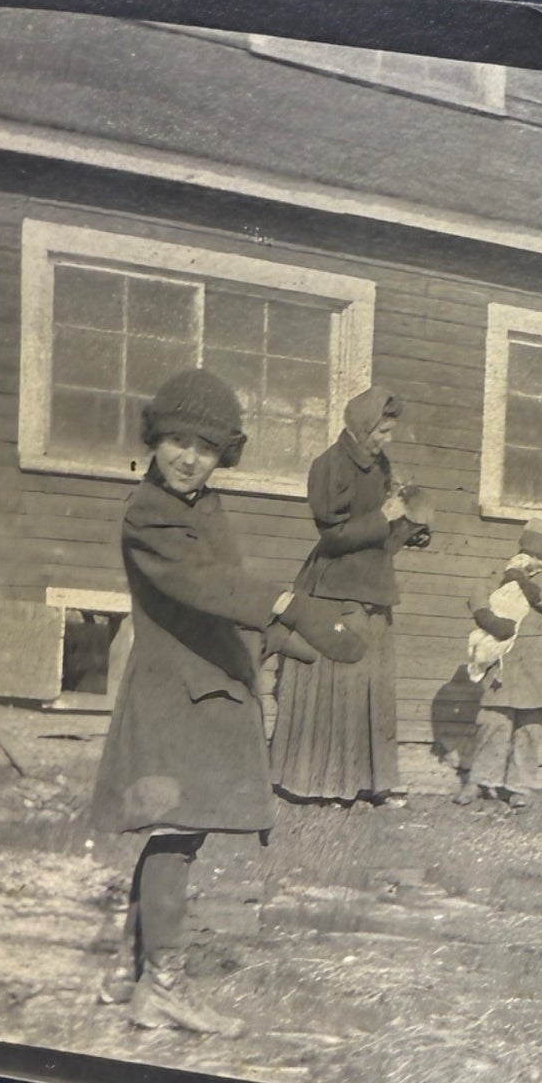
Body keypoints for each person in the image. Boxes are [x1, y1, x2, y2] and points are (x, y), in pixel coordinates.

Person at [92, 368, 366, 1036]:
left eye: (206, 447)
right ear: (155, 438)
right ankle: (159, 987)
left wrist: (278, 639)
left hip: (204, 687)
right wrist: (289, 606)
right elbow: (203, 586)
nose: (189, 457)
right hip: (176, 698)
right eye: (177, 440)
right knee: (175, 839)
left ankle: (130, 973)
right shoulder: (151, 511)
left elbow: (217, 598)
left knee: (174, 838)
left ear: (224, 454)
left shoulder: (199, 506)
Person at [270, 389, 428, 806]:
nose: (386, 439)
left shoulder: (380, 465)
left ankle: (369, 782)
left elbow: (380, 533)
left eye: (390, 431)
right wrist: (384, 518)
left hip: (372, 586)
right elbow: (334, 536)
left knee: (371, 686)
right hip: (335, 589)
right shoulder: (330, 465)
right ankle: (321, 783)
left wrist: (409, 528)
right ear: (361, 426)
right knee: (340, 683)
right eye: (382, 431)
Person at [457, 519, 542, 808]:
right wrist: (488, 618)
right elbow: (478, 593)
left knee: (529, 729)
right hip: (504, 662)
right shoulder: (502, 571)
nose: (536, 562)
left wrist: (523, 582)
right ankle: (480, 780)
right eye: (532, 554)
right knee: (493, 722)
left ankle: (520, 786)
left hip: (538, 665)